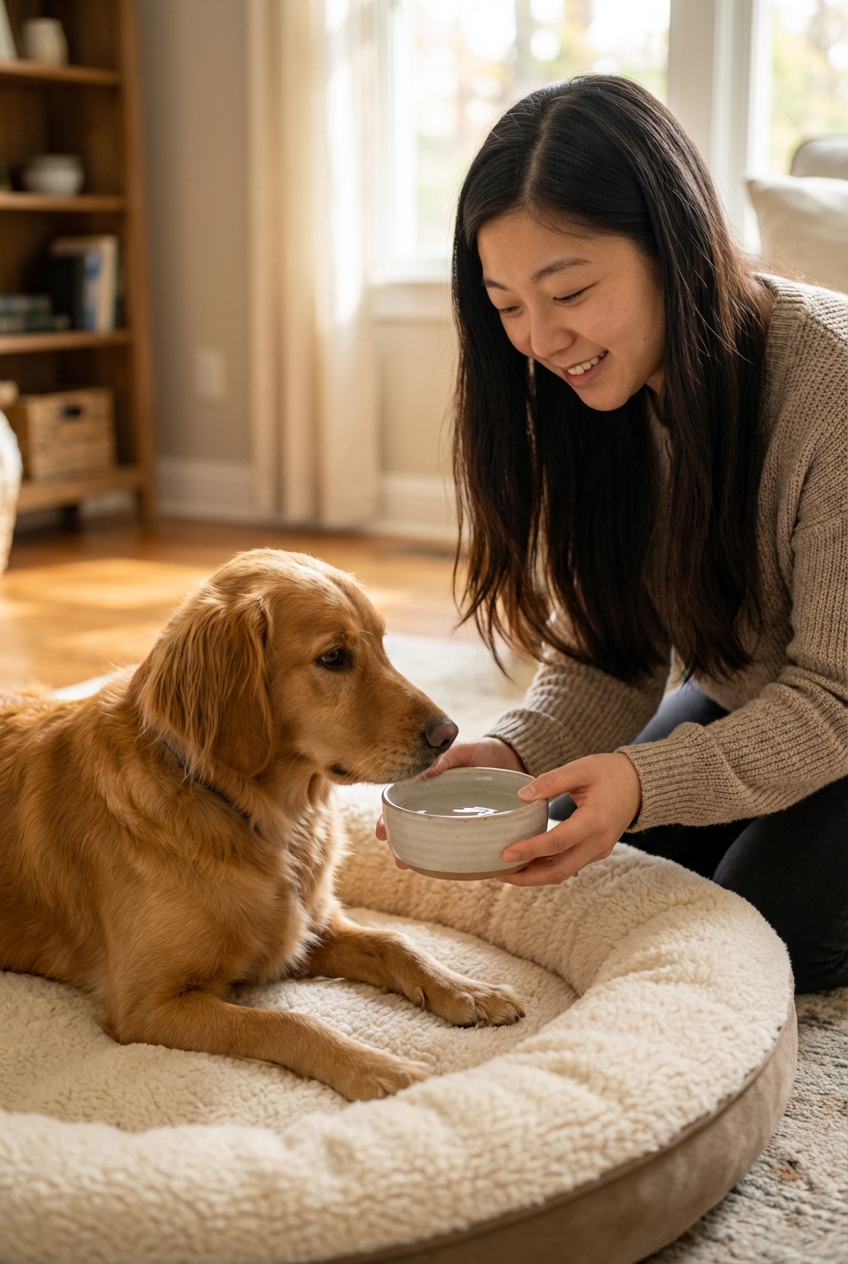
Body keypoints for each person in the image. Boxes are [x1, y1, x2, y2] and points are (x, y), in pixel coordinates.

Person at [377, 75, 846, 994]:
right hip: (765, 693)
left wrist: (651, 778)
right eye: (509, 305)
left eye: (570, 290)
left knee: (770, 927)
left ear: (673, 247)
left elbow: (837, 694)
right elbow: (610, 648)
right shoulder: (596, 392)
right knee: (615, 844)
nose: (542, 339)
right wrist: (520, 756)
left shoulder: (831, 387)